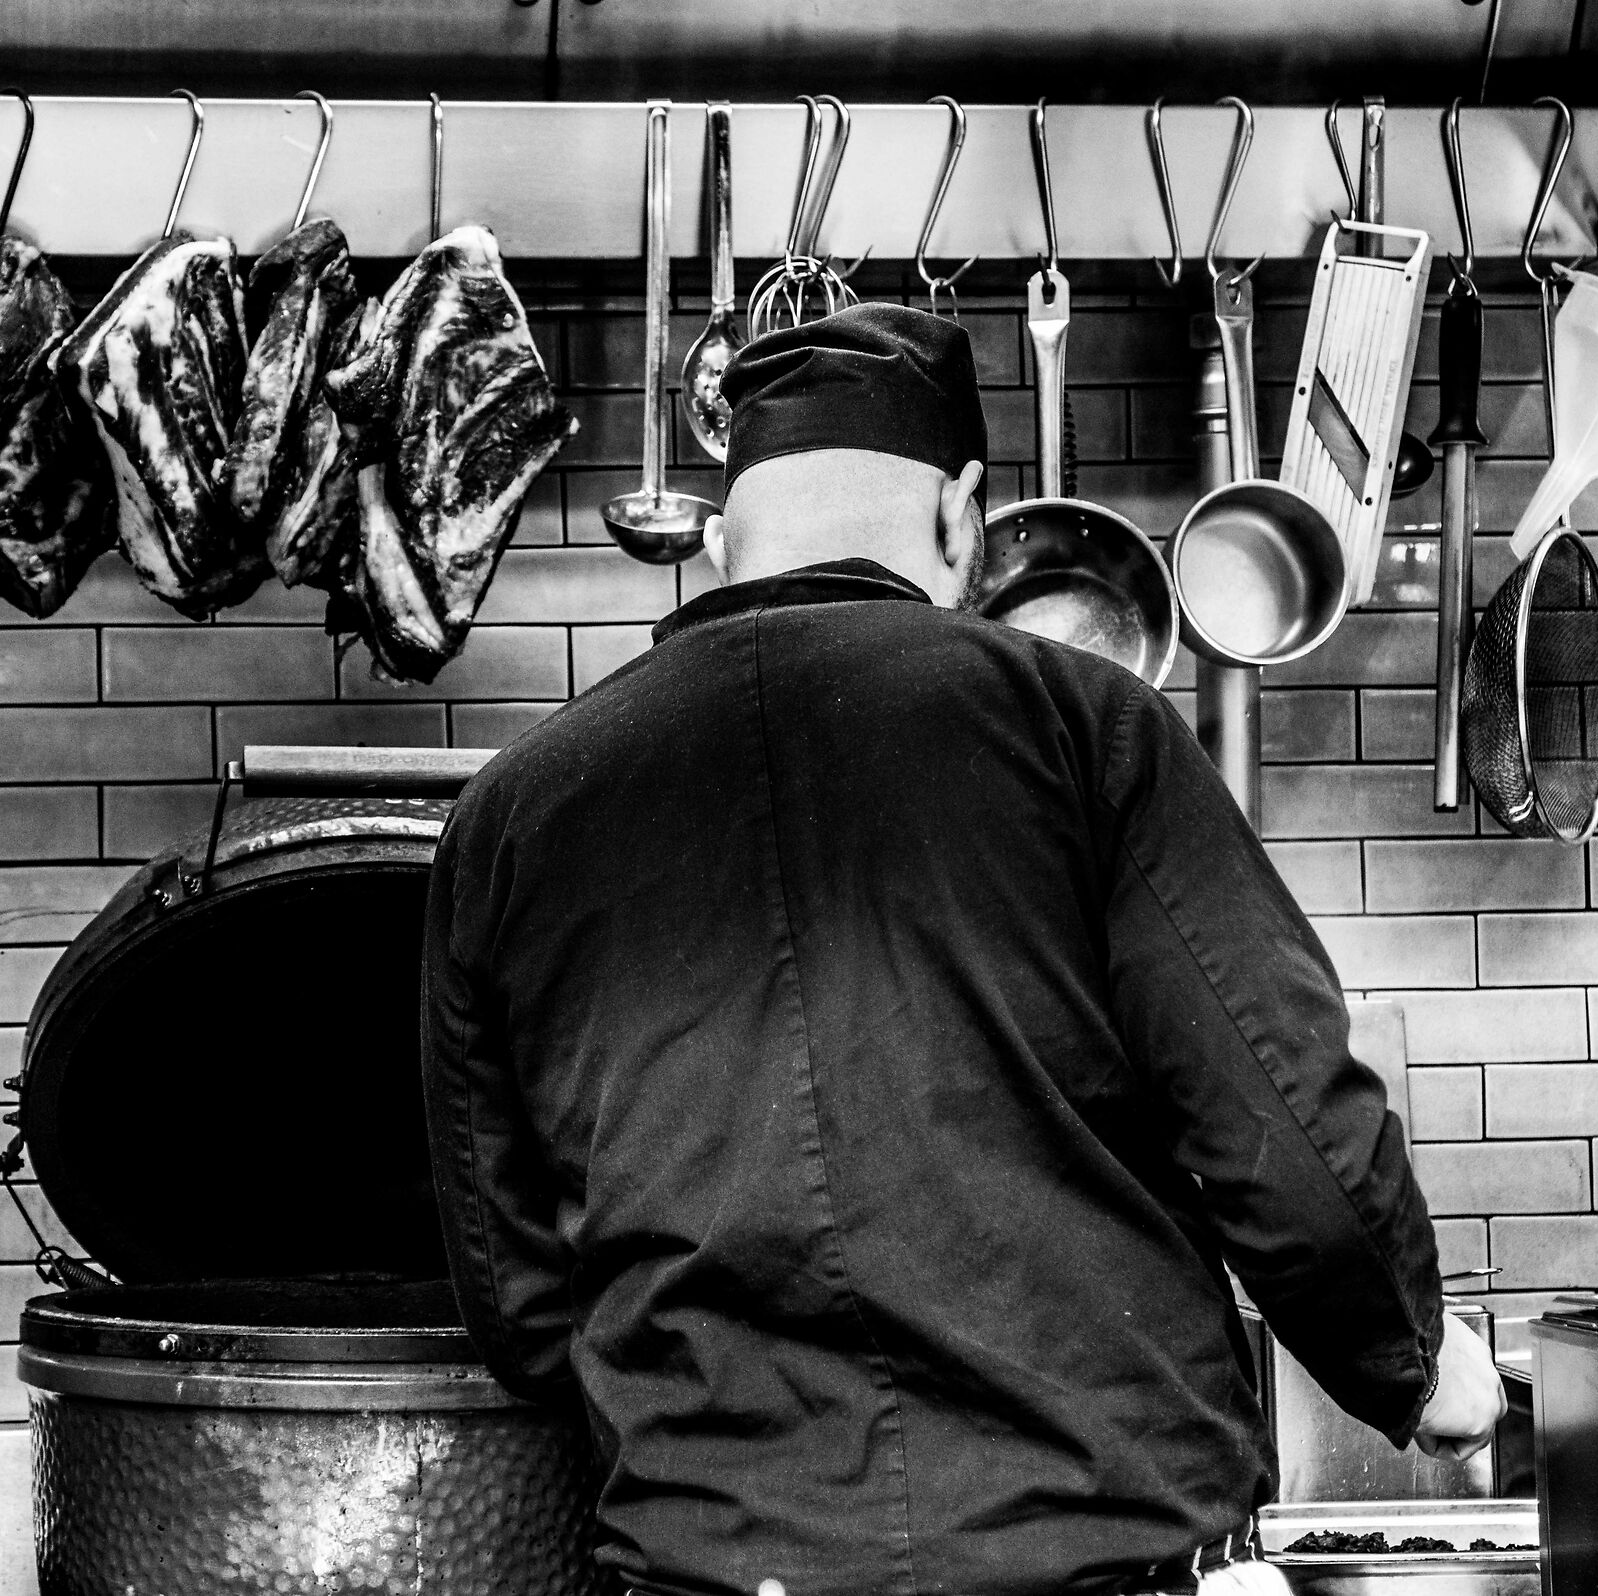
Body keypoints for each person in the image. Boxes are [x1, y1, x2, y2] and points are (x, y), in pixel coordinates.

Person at [420, 303, 1502, 1596]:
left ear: (718, 543)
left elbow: (520, 1302)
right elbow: (1280, 1130)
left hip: (708, 1562)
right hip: (1089, 1554)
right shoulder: (1083, 726)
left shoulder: (512, 817)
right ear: (963, 517)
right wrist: (1419, 1364)